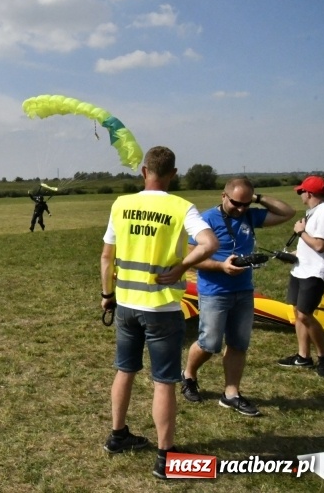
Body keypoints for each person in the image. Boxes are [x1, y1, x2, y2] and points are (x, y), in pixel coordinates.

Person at [100, 146, 218, 479]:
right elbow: (209, 245)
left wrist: (107, 295)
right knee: (164, 382)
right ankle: (166, 458)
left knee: (125, 371)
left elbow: (107, 258)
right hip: (163, 308)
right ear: (174, 174)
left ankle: (117, 435)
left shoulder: (122, 204)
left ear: (143, 171)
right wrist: (183, 266)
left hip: (126, 304)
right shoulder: (181, 207)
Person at [181, 178, 294, 416]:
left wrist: (256, 198)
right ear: (223, 196)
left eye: (245, 203)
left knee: (238, 344)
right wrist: (221, 267)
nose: (241, 209)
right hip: (214, 291)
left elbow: (288, 212)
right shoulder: (206, 220)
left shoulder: (250, 215)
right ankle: (189, 374)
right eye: (236, 203)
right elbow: (192, 258)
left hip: (244, 291)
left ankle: (231, 394)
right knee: (209, 344)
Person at [277, 175, 324, 376]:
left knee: (304, 315)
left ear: (308, 193)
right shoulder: (313, 212)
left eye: (301, 192)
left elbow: (320, 244)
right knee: (298, 313)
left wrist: (300, 232)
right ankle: (303, 356)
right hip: (301, 269)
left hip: (314, 272)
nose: (300, 195)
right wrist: (293, 255)